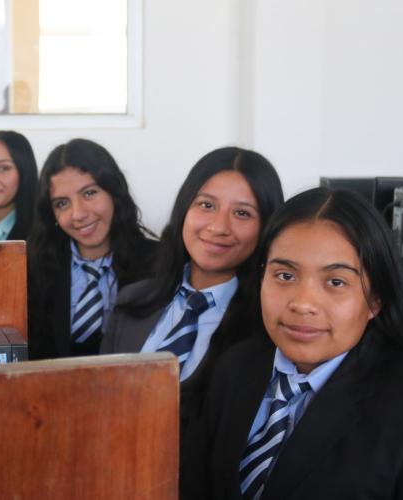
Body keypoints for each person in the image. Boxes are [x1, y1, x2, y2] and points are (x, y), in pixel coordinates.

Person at [182, 187, 403, 500]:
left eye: (336, 282)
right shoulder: (235, 366)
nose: (303, 304)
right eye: (285, 276)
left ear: (375, 299)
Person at [100, 147, 284, 442]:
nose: (218, 226)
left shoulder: (268, 329)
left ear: (266, 228)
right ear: (185, 208)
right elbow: (99, 403)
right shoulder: (131, 302)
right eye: (206, 205)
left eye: (242, 213)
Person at [27, 138, 158, 359]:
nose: (78, 214)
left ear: (113, 193)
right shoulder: (32, 264)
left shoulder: (158, 262)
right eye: (62, 203)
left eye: (89, 193)